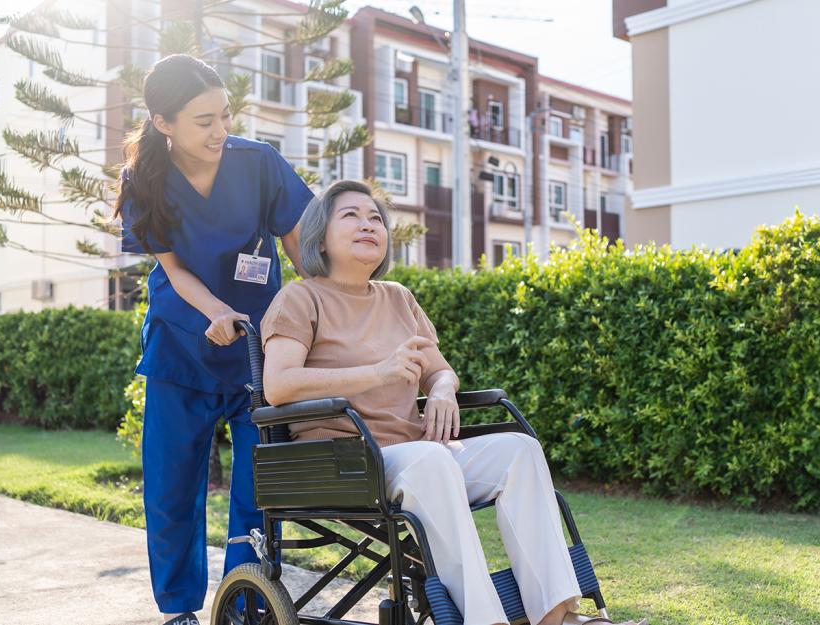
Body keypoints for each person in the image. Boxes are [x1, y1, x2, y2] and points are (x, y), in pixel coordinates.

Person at [259, 180, 646, 625]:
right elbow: (279, 385)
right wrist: (377, 373)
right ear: (319, 236)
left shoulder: (399, 298)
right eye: (351, 215)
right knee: (431, 462)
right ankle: (484, 620)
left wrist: (441, 389)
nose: (368, 225)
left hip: (413, 453)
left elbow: (439, 370)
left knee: (519, 450)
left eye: (376, 219)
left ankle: (557, 616)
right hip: (344, 459)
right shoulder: (300, 297)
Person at [113, 54, 314, 625]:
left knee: (258, 494)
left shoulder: (259, 164)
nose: (220, 131)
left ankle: (245, 603)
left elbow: (304, 257)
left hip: (262, 356)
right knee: (172, 492)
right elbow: (175, 271)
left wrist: (322, 318)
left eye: (224, 115)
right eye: (203, 120)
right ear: (163, 123)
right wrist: (219, 311)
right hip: (182, 348)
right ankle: (179, 610)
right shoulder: (143, 180)